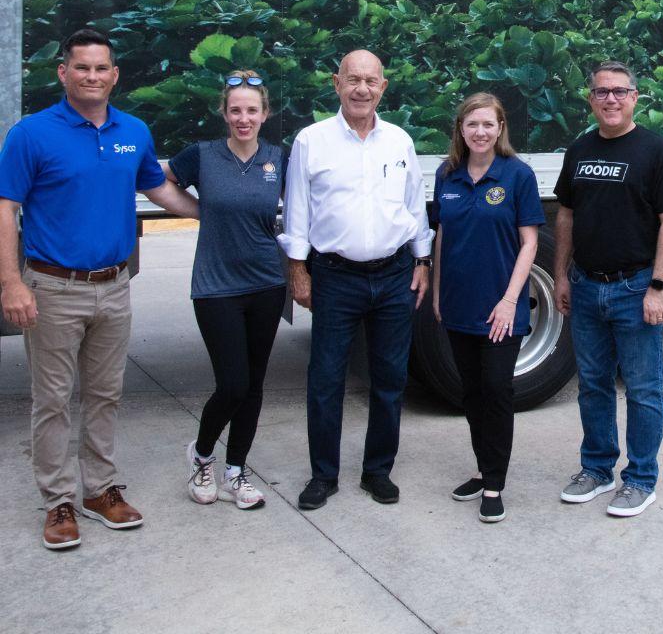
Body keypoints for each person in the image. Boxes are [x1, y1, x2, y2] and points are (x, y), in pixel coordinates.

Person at [0, 28, 199, 550]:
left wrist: (217, 213)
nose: (92, 76)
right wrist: (11, 282)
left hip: (115, 287)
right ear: (63, 72)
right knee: (52, 401)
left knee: (106, 394)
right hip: (52, 287)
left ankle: (100, 489)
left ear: (114, 75)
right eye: (81, 68)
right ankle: (58, 500)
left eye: (101, 68)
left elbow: (158, 187)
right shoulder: (31, 134)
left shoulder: (132, 130)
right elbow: (6, 209)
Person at [278, 50, 431, 511]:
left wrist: (422, 260)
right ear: (336, 84)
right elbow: (297, 209)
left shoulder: (399, 141)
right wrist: (297, 269)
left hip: (393, 275)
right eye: (353, 80)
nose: (362, 89)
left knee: (390, 378)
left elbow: (414, 205)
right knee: (325, 379)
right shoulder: (312, 141)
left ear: (383, 87)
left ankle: (377, 471)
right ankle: (323, 475)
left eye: (371, 81)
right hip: (334, 277)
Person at [553, 60, 663, 517]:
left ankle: (640, 479)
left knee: (643, 389)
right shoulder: (579, 151)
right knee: (592, 384)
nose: (610, 99)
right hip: (587, 287)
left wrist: (658, 287)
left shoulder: (657, 153)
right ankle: (595, 470)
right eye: (601, 92)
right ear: (590, 99)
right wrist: (559, 275)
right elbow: (567, 217)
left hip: (635, 288)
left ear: (635, 97)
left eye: (619, 91)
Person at [163, 70, 287, 511]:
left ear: (264, 114)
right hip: (216, 288)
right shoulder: (203, 155)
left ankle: (236, 470)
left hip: (267, 285)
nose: (243, 118)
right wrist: (202, 212)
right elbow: (159, 182)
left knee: (253, 385)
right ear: (224, 112)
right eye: (235, 110)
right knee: (232, 383)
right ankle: (201, 455)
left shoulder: (278, 158)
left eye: (252, 110)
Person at [431, 92, 544, 524]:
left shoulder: (517, 176)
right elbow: (442, 236)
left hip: (502, 309)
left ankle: (494, 483)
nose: (480, 132)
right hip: (459, 305)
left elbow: (530, 242)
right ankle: (482, 469)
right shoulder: (448, 175)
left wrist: (509, 300)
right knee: (472, 394)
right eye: (472, 124)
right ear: (461, 129)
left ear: (500, 129)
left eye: (488, 125)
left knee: (496, 392)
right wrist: (439, 294)